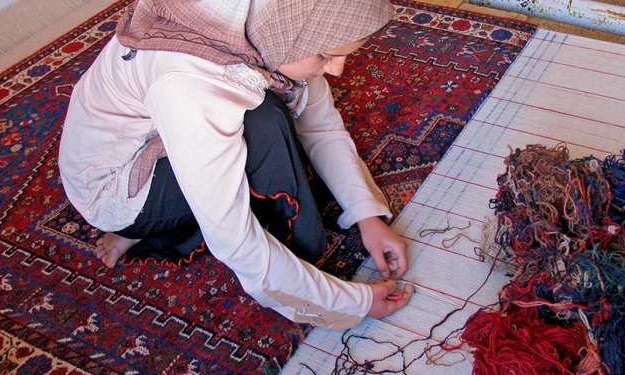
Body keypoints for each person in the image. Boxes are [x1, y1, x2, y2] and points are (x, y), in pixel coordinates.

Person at [58, 0, 413, 328]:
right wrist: (353, 303)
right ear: (286, 34)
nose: (337, 71)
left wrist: (366, 216)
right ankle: (136, 228)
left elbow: (320, 126)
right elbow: (234, 237)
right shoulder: (192, 82)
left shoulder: (258, 20)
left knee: (270, 115)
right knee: (265, 121)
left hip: (169, 128)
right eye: (325, 54)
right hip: (115, 182)